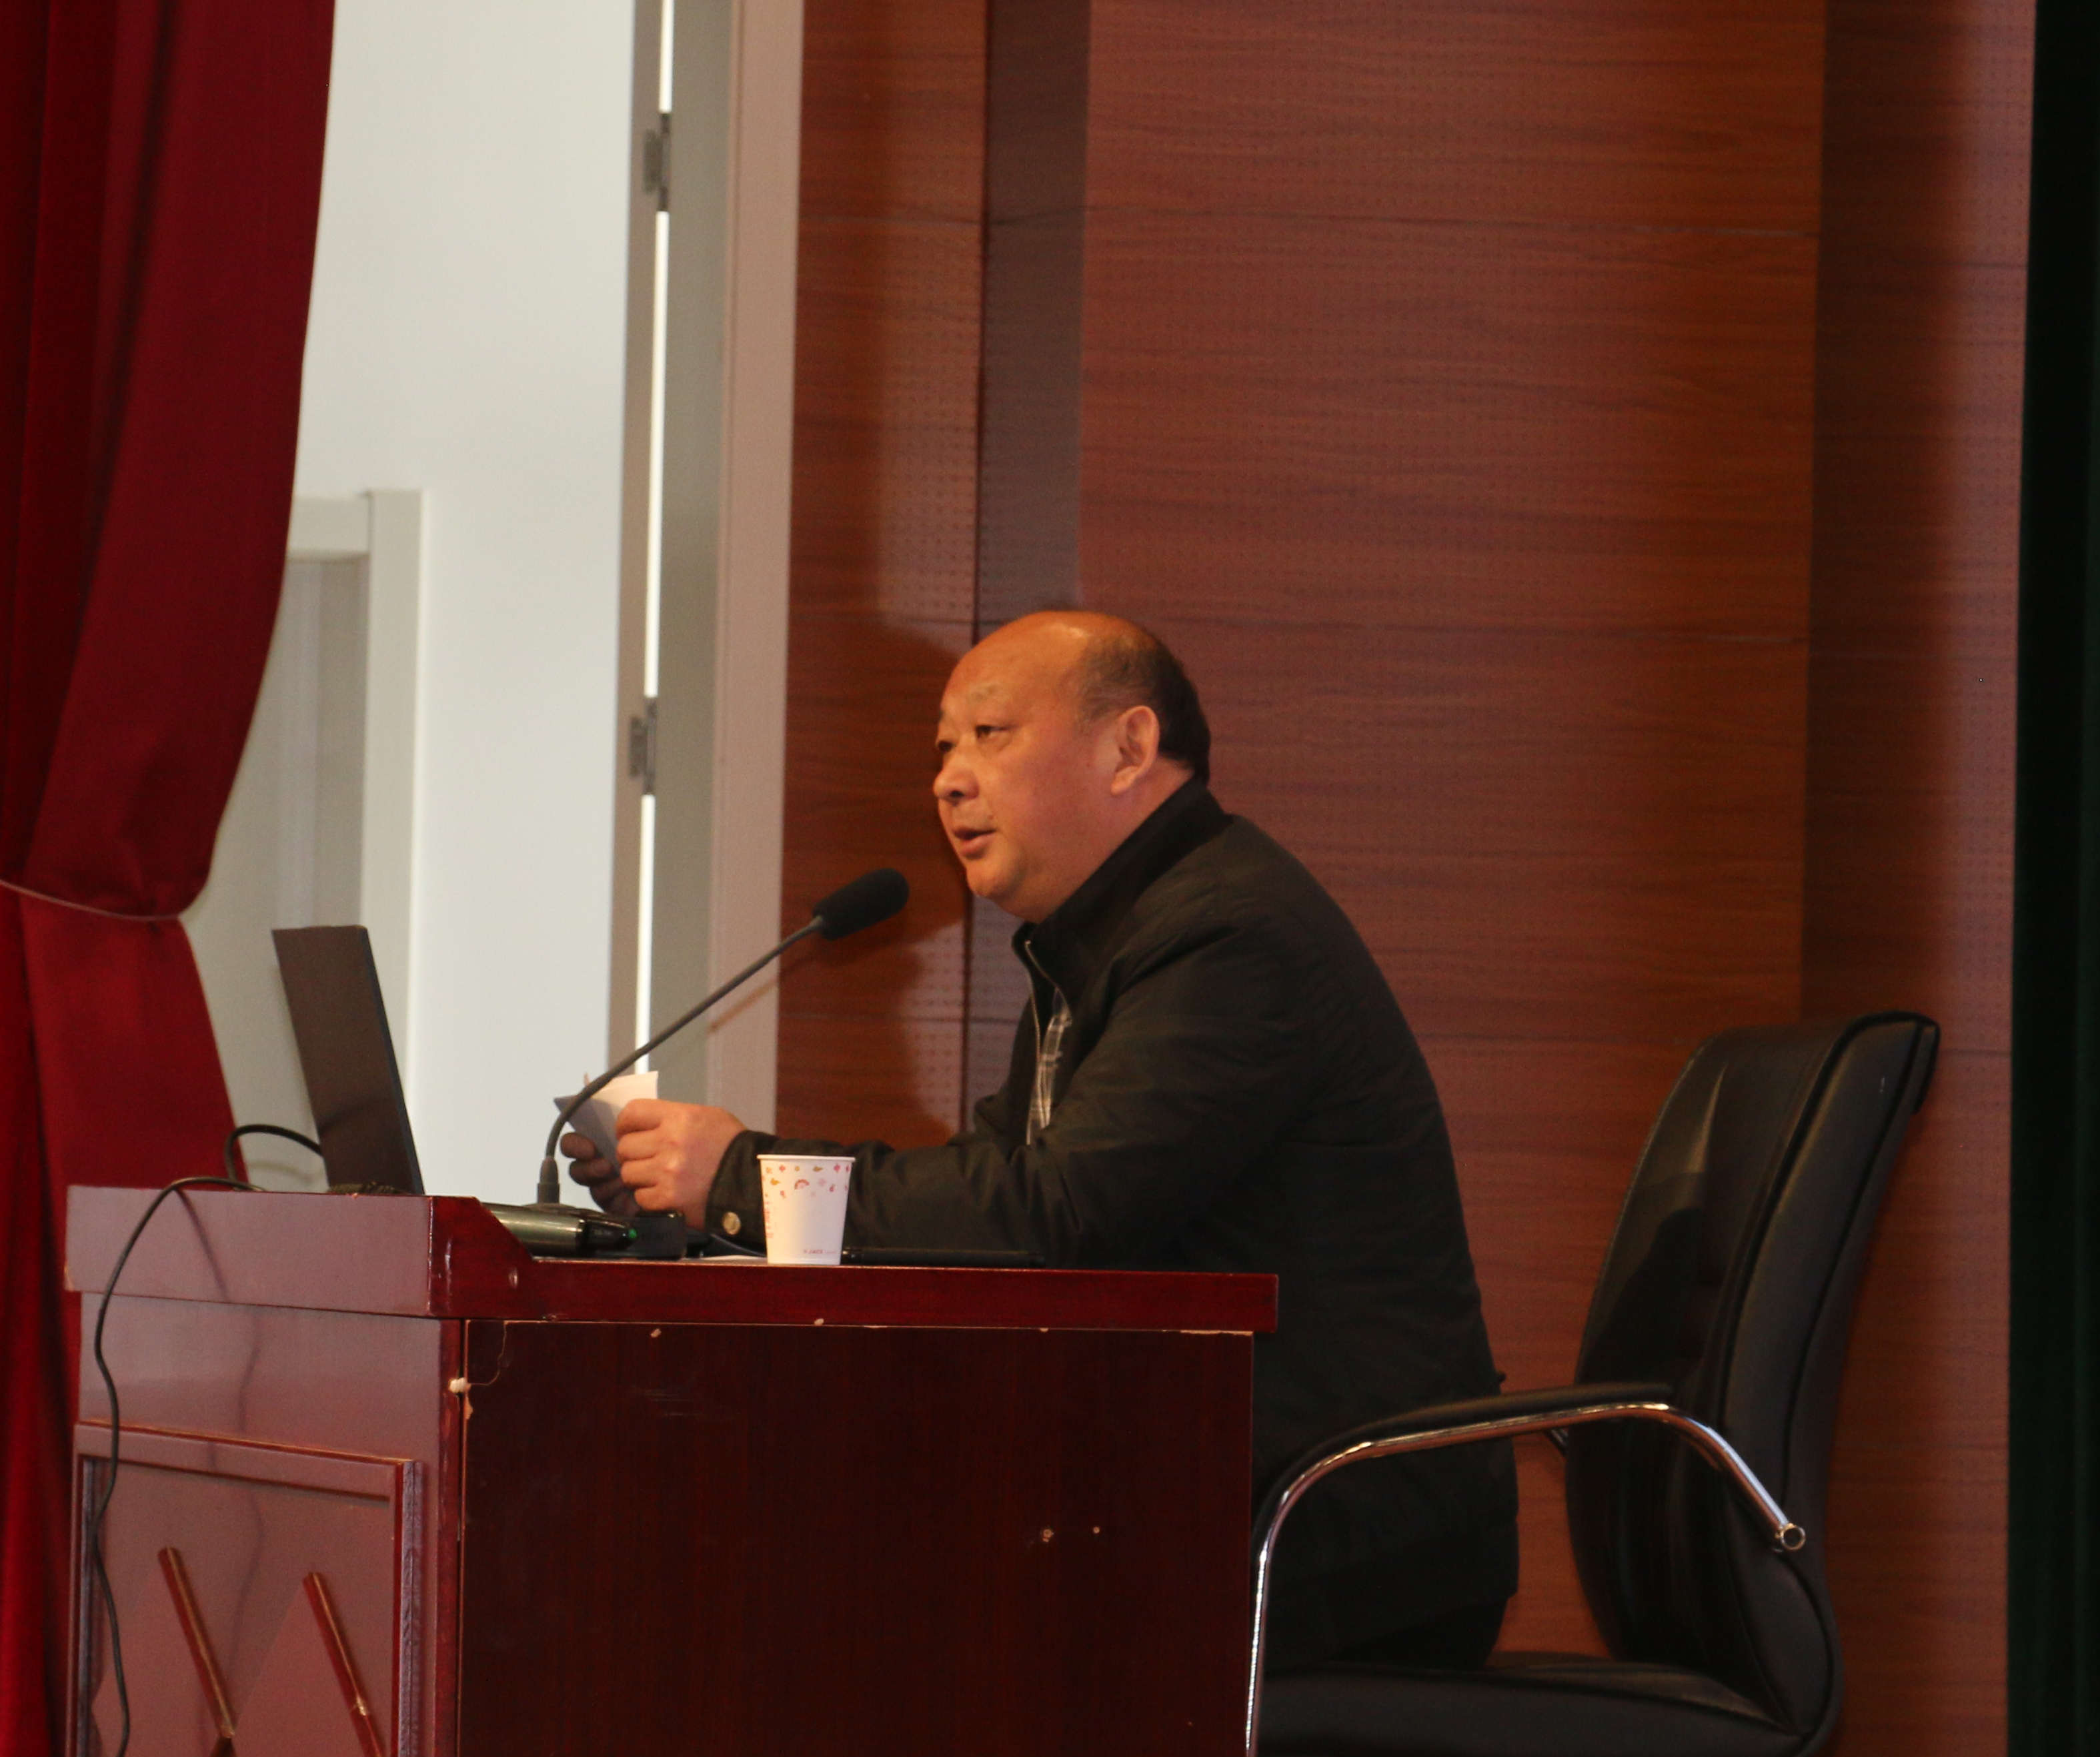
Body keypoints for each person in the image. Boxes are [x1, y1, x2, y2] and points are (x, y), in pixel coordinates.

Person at [566, 610, 1517, 1670]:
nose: (949, 780)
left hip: (1327, 1528)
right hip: (1208, 1492)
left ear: (1130, 748)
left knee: (844, 1597)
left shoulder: (1228, 936)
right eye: (943, 748)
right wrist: (699, 1202)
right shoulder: (1108, 940)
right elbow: (994, 1200)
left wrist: (744, 1180)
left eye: (991, 734)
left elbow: (1054, 1217)